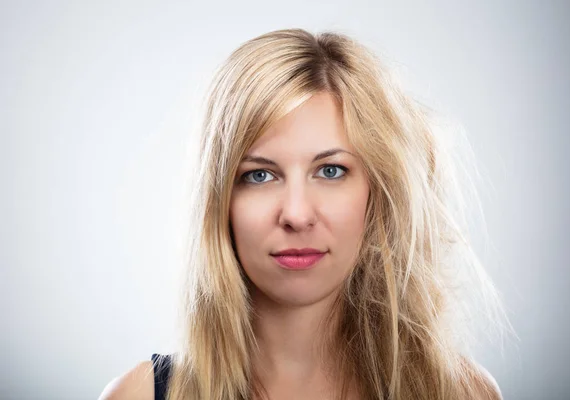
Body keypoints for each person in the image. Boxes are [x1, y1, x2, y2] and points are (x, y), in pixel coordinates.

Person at [99, 28, 509, 400]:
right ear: (219, 200)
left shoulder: (461, 392)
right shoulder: (137, 396)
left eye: (331, 171)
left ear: (378, 193)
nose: (296, 214)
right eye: (259, 175)